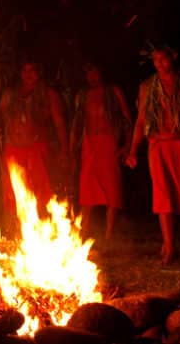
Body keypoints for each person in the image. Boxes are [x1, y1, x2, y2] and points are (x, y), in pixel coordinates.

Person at [125, 45, 180, 265]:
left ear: (173, 57)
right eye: (155, 60)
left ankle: (168, 241)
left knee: (177, 197)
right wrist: (133, 150)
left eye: (162, 59)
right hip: (157, 144)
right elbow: (141, 120)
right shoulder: (147, 86)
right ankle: (170, 246)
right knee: (163, 195)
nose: (158, 64)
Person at [0, 60, 68, 222]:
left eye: (32, 70)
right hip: (13, 148)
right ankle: (14, 228)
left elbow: (59, 122)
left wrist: (64, 149)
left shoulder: (48, 94)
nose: (28, 74)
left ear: (39, 72)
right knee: (12, 189)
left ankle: (42, 225)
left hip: (36, 147)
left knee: (40, 188)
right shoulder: (10, 94)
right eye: (24, 70)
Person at [70, 62, 132, 241]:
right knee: (87, 190)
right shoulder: (82, 95)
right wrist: (72, 149)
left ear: (101, 73)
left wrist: (127, 145)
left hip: (109, 142)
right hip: (89, 145)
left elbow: (127, 119)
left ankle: (109, 234)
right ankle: (83, 231)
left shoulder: (113, 91)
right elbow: (76, 124)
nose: (92, 77)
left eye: (94, 73)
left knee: (112, 189)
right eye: (88, 74)